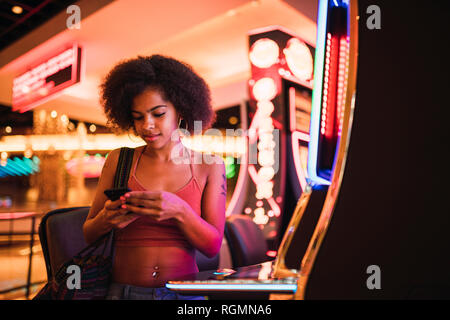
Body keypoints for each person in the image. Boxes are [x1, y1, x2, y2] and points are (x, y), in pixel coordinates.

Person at [82, 55, 226, 300]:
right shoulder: (119, 160)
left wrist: (180, 211)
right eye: (138, 117)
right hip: (123, 293)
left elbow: (212, 247)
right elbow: (89, 232)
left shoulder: (209, 165)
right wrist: (108, 218)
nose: (147, 125)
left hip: (184, 295)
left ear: (181, 110)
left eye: (158, 114)